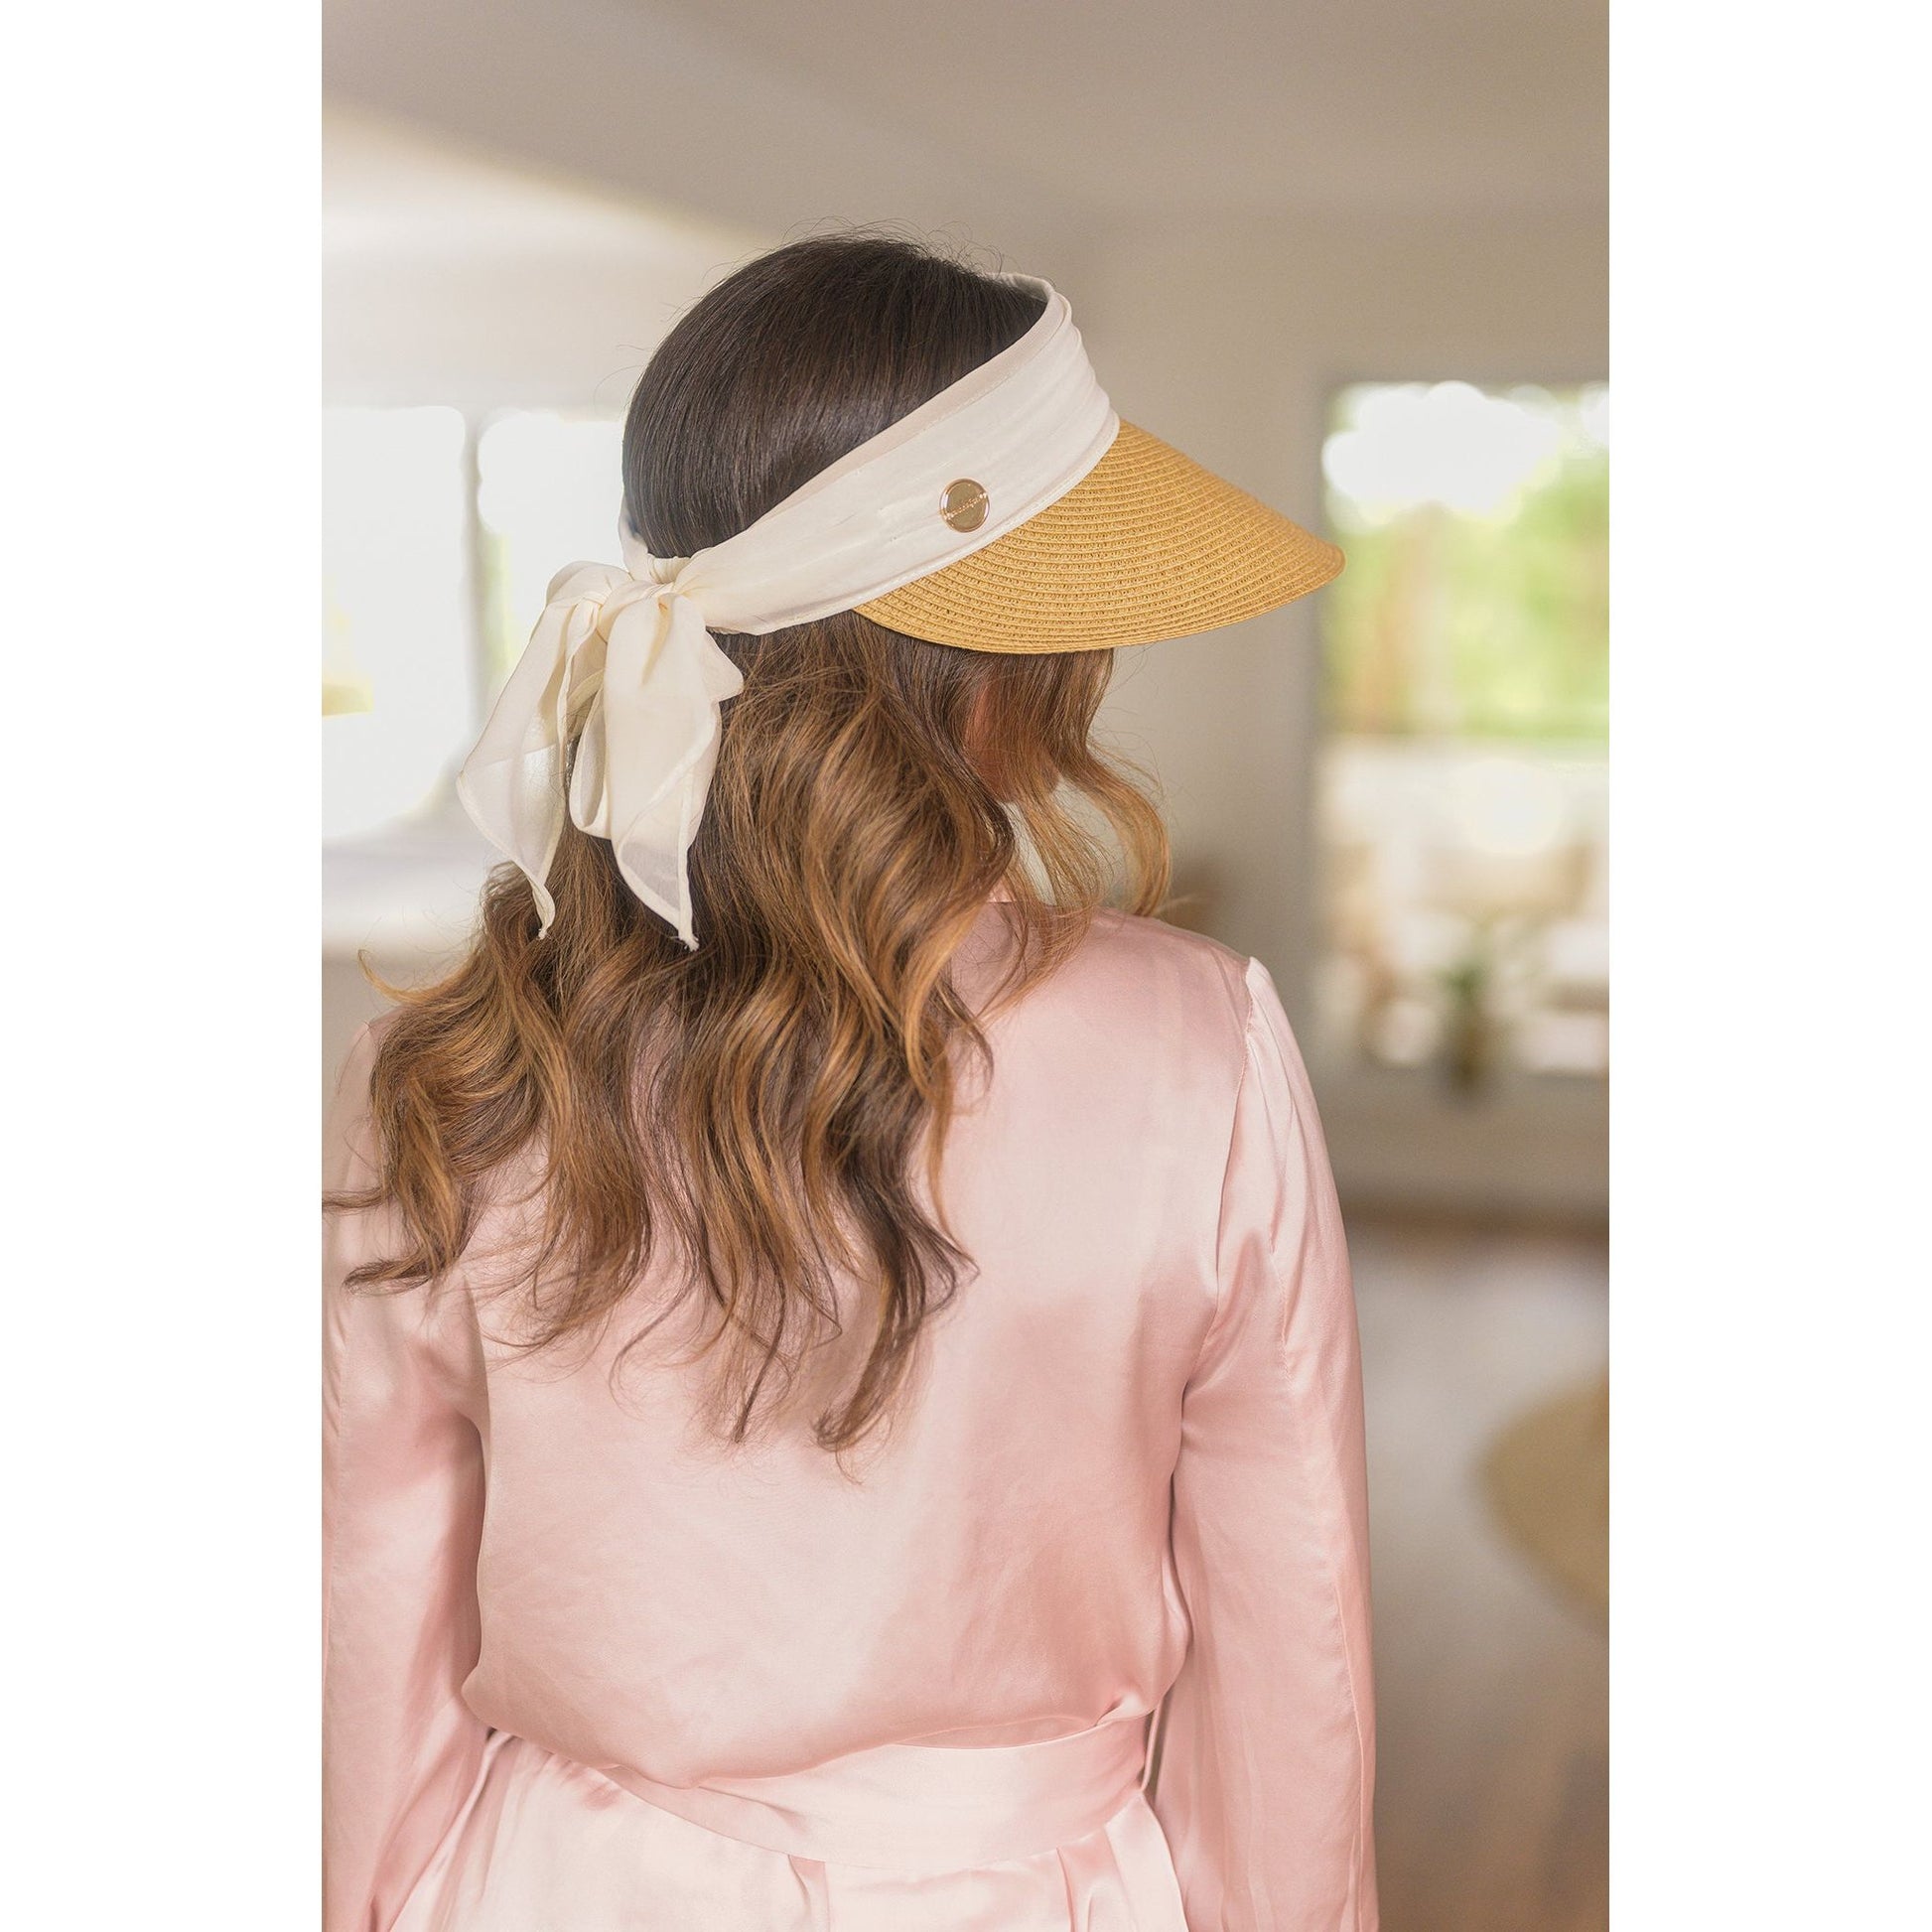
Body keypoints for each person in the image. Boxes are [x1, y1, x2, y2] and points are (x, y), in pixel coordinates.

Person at [324, 234, 1377, 1932]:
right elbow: (1291, 1629)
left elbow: (362, 1615)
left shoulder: (447, 1064)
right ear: (989, 656)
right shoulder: (1200, 1049)